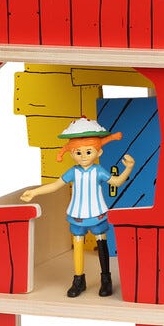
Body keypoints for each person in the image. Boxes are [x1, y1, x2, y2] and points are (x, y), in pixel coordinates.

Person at [21, 119, 135, 298]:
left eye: (88, 152)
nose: (83, 156)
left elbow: (117, 182)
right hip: (77, 215)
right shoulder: (73, 172)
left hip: (97, 214)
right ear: (72, 154)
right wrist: (34, 192)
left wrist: (128, 168)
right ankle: (79, 280)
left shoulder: (98, 171)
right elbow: (55, 185)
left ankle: (106, 279)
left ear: (98, 152)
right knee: (78, 247)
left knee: (101, 244)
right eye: (78, 152)